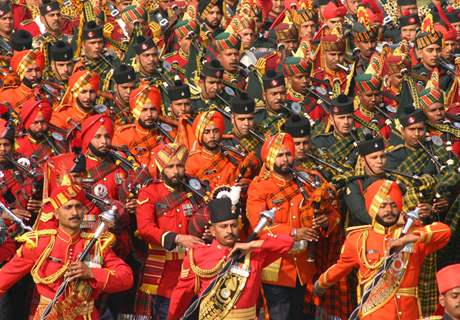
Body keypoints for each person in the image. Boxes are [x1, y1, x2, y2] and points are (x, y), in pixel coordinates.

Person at [314, 179, 451, 319]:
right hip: (375, 314)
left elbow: (444, 231)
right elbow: (341, 267)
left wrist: (405, 239)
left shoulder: (413, 235)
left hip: (408, 313)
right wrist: (319, 285)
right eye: (383, 205)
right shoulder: (359, 239)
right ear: (373, 208)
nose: (389, 210)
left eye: (393, 205)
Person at [0, 181, 134, 319]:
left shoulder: (96, 245)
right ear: (56, 214)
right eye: (68, 207)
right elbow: (3, 278)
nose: (74, 212)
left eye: (79, 207)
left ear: (84, 211)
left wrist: (92, 273)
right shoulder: (40, 243)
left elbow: (126, 277)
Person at [247, 133, 340, 319]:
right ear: (270, 158)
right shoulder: (260, 186)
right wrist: (294, 233)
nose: (285, 160)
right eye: (279, 155)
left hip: (304, 265)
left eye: (288, 154)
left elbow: (334, 214)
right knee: (279, 314)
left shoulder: (307, 181)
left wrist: (325, 221)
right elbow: (259, 226)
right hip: (275, 264)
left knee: (298, 315)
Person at [168, 197, 295, 319]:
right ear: (212, 231)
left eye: (233, 225)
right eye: (223, 226)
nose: (229, 230)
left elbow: (288, 243)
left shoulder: (253, 254)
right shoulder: (197, 255)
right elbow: (181, 294)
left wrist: (251, 244)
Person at [134, 143, 207, 319]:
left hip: (193, 269)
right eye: (170, 167)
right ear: (161, 168)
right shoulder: (149, 192)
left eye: (180, 166)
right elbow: (144, 229)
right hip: (164, 272)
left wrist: (208, 231)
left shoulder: (195, 190)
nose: (176, 171)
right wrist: (177, 238)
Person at [112, 85, 164, 177]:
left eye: (153, 109)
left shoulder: (169, 134)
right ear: (136, 112)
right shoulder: (122, 136)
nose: (149, 114)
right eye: (144, 110)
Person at [0, 49, 45, 114]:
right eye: (29, 71)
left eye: (37, 70)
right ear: (21, 74)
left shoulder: (50, 94)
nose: (34, 74)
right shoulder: (7, 95)